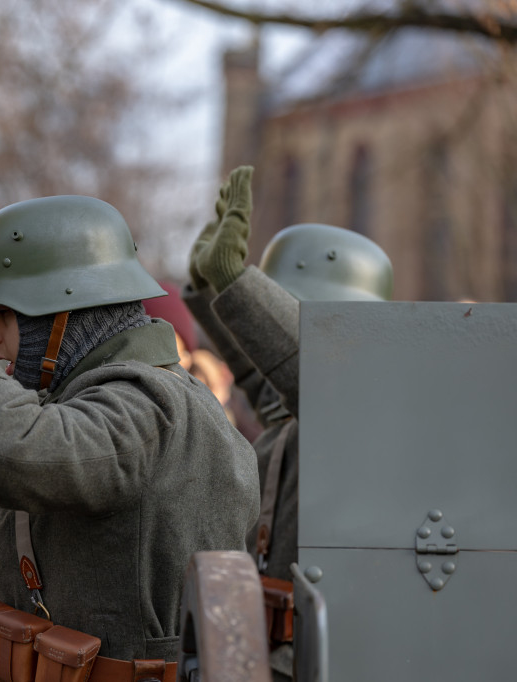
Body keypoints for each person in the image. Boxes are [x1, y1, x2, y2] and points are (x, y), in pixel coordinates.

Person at [0, 195, 260, 679]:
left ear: (65, 319)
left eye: (6, 314)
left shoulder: (151, 403)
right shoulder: (81, 398)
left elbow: (19, 452)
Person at [185, 165, 393, 679]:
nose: (270, 327)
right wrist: (213, 292)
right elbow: (267, 380)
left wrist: (237, 283)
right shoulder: (303, 409)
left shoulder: (370, 410)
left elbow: (314, 374)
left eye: (281, 309)